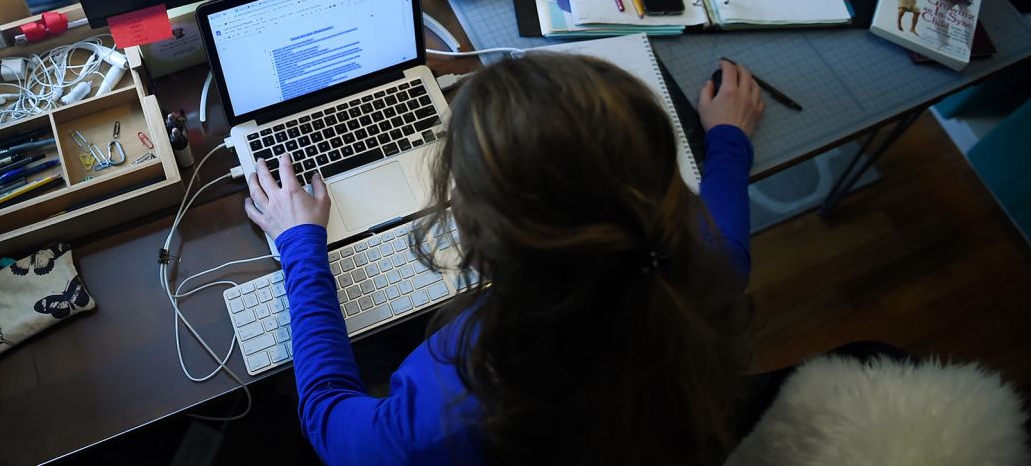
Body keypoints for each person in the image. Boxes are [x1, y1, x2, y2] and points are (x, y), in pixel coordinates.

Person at [244, 55, 762, 466]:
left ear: (487, 239)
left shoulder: (457, 399)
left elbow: (331, 423)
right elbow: (728, 243)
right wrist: (728, 139)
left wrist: (300, 244)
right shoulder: (697, 273)